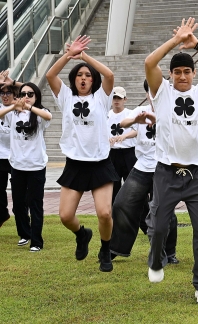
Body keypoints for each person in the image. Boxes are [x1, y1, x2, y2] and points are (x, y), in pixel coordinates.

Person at [144, 17, 198, 303]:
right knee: (157, 226)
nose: (182, 76)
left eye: (187, 72)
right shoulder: (162, 92)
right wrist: (175, 42)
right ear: (170, 75)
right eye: (177, 72)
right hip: (166, 172)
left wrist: (197, 45)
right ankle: (156, 261)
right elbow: (148, 63)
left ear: (194, 74)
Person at [46, 35, 118, 272]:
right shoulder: (66, 97)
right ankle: (82, 234)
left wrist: (84, 56)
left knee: (105, 213)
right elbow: (50, 76)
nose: (84, 78)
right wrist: (69, 55)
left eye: (87, 75)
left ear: (92, 80)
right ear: (74, 80)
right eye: (79, 75)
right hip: (75, 164)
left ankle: (106, 249)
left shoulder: (102, 98)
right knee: (66, 216)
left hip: (100, 163)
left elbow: (109, 76)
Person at [109, 80, 179, 264]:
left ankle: (169, 252)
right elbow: (123, 122)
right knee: (122, 204)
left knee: (164, 210)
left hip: (164, 168)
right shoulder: (140, 111)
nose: (154, 95)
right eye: (151, 92)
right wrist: (135, 120)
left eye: (158, 91)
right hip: (142, 167)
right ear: (147, 94)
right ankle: (117, 247)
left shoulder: (173, 111)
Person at [0, 82, 52, 251]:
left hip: (36, 166)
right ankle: (25, 234)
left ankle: (37, 241)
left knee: (35, 203)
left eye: (30, 94)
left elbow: (48, 117)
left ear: (36, 97)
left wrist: (29, 108)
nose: (26, 97)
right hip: (17, 165)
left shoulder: (40, 114)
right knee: (18, 203)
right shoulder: (11, 114)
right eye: (23, 94)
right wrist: (14, 107)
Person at [107, 86, 138, 206]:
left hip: (129, 153)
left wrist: (125, 136)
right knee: (113, 186)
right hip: (112, 154)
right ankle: (114, 217)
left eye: (119, 98)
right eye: (114, 97)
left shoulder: (130, 114)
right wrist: (107, 139)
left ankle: (137, 216)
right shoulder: (106, 115)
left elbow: (137, 130)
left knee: (132, 186)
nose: (116, 100)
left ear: (125, 99)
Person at [0, 70, 19, 229]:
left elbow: (28, 88)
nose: (5, 95)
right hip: (0, 157)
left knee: (19, 192)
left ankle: (24, 225)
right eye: (2, 93)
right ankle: (2, 214)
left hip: (16, 157)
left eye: (8, 93)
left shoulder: (21, 108)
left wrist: (10, 82)